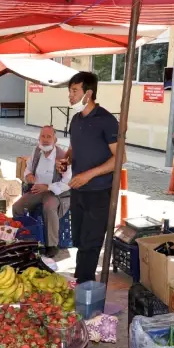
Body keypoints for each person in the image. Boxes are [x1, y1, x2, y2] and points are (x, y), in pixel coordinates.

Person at [57, 71, 122, 283]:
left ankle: (84, 286)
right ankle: (81, 280)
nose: (70, 96)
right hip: (78, 190)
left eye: (75, 91)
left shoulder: (107, 120)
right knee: (79, 239)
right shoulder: (75, 119)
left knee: (91, 242)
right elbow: (75, 147)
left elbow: (120, 158)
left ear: (89, 93)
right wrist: (66, 159)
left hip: (100, 191)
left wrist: (89, 175)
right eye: (69, 91)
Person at [12, 125, 71, 258]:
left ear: (55, 140)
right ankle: (24, 238)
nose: (45, 140)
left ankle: (52, 245)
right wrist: (29, 176)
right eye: (42, 136)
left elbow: (67, 182)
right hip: (37, 190)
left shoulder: (62, 156)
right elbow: (28, 168)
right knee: (17, 207)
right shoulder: (37, 151)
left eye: (48, 137)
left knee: (49, 208)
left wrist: (48, 187)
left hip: (55, 192)